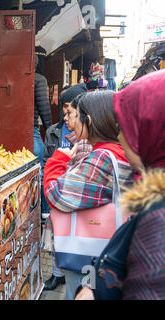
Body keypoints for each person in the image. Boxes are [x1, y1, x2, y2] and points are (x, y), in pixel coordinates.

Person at [76, 70, 165, 300]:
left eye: (126, 126)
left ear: (152, 130)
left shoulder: (159, 220)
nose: (121, 136)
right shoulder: (150, 194)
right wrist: (91, 287)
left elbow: (60, 194)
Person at [43, 90, 134, 300]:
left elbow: (56, 194)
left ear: (89, 120)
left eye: (75, 115)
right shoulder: (117, 150)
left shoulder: (102, 157)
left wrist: (57, 160)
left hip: (89, 252)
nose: (70, 121)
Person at [42, 84, 90, 291]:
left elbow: (58, 192)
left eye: (70, 110)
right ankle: (56, 273)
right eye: (64, 109)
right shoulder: (54, 131)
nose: (66, 116)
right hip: (59, 193)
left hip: (66, 199)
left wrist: (56, 168)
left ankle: (66, 276)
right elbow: (46, 160)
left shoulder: (86, 143)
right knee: (55, 241)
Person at [33, 47, 53, 218]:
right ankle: (44, 213)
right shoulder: (39, 79)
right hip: (31, 132)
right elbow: (44, 107)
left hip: (11, 133)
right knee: (41, 170)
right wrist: (50, 129)